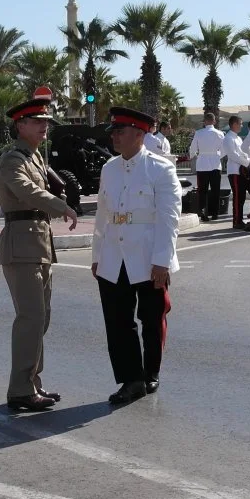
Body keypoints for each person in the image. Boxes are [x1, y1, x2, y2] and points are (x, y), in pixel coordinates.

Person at [92, 106, 181, 405]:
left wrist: (162, 260)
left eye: (121, 131)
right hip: (114, 255)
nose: (115, 136)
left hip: (147, 256)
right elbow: (103, 214)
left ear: (140, 134)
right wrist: (97, 254)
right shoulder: (109, 168)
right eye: (114, 131)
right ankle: (131, 380)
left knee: (151, 319)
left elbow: (170, 218)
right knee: (118, 322)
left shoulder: (160, 169)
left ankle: (150, 372)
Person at [0, 98, 79, 412]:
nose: (45, 126)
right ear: (20, 125)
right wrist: (61, 206)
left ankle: (31, 383)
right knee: (30, 318)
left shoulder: (35, 157)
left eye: (46, 121)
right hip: (22, 243)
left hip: (38, 242)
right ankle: (20, 389)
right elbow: (27, 191)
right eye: (37, 121)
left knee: (40, 319)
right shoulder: (12, 159)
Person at [188, 112, 225, 222]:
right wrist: (218, 155)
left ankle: (203, 213)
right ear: (214, 121)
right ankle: (215, 213)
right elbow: (224, 149)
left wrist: (192, 156)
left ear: (205, 121)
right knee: (215, 190)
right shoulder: (220, 133)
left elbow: (193, 148)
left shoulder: (199, 133)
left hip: (202, 163)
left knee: (202, 191)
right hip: (215, 163)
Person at [223, 115, 250, 229]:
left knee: (242, 196)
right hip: (234, 171)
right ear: (234, 124)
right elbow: (233, 155)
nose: (241, 126)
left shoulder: (238, 138)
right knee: (238, 197)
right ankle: (236, 221)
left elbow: (243, 153)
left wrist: (248, 160)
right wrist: (247, 163)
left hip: (242, 171)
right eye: (240, 123)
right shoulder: (228, 138)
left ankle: (239, 219)